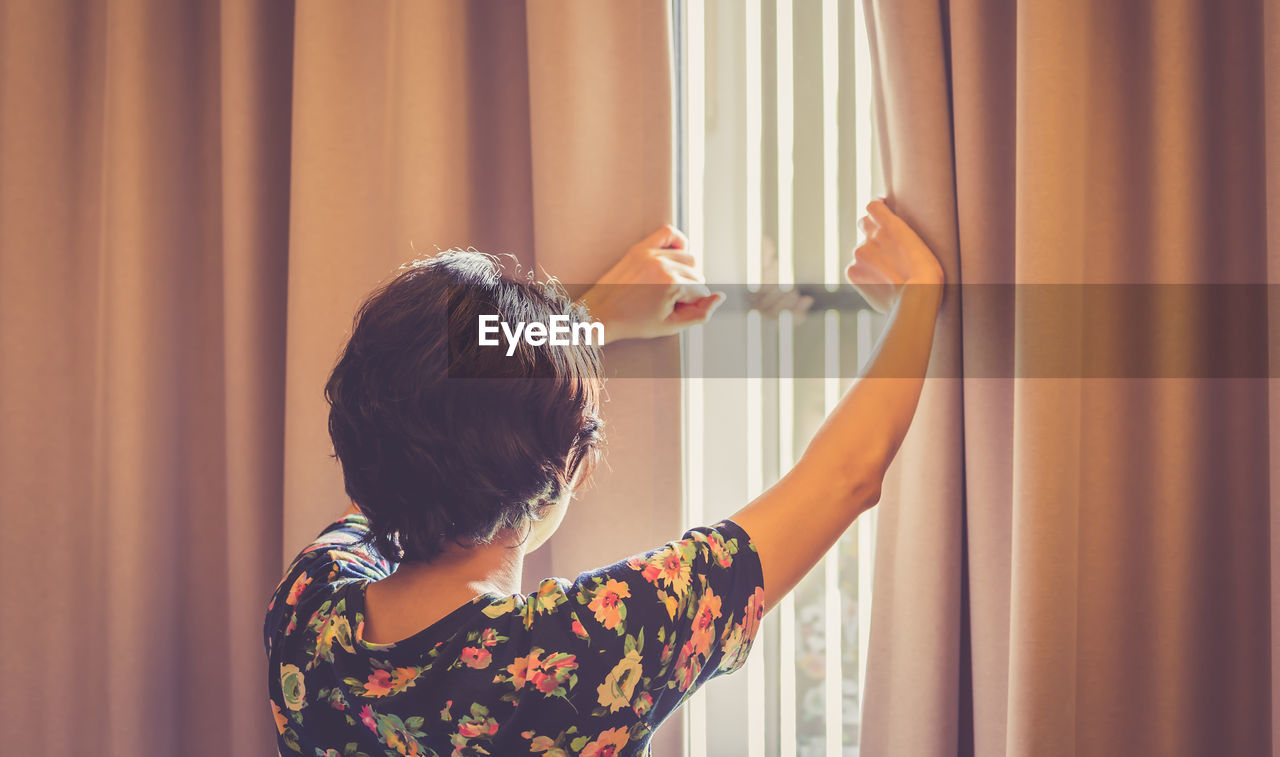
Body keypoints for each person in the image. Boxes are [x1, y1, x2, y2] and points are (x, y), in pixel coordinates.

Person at [264, 199, 944, 756]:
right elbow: (845, 479)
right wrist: (917, 301)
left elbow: (408, 423)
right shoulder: (576, 655)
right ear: (563, 471)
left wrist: (584, 326)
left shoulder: (307, 609)